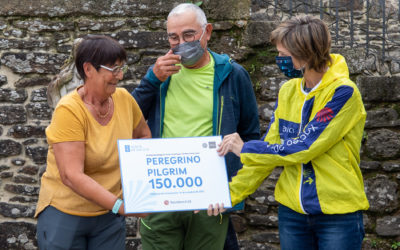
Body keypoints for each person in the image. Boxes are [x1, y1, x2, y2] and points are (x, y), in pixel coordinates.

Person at [217, 15, 369, 249]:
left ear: (306, 54)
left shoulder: (343, 93)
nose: (279, 60)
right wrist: (228, 195)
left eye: (284, 55)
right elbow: (269, 153)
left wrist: (246, 147)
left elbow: (304, 147)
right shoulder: (288, 91)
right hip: (292, 216)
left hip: (338, 214)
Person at [132, 3, 260, 250]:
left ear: (207, 32)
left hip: (209, 193)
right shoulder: (160, 72)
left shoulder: (233, 74)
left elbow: (249, 133)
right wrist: (151, 80)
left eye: (189, 34)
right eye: (173, 37)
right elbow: (129, 117)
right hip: (163, 188)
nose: (181, 42)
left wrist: (232, 186)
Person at [35, 35, 151, 250]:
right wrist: (121, 206)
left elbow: (144, 137)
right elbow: (71, 176)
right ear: (88, 69)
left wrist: (138, 186)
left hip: (109, 216)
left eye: (121, 68)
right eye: (114, 69)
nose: (120, 75)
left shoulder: (125, 99)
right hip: (66, 214)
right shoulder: (69, 109)